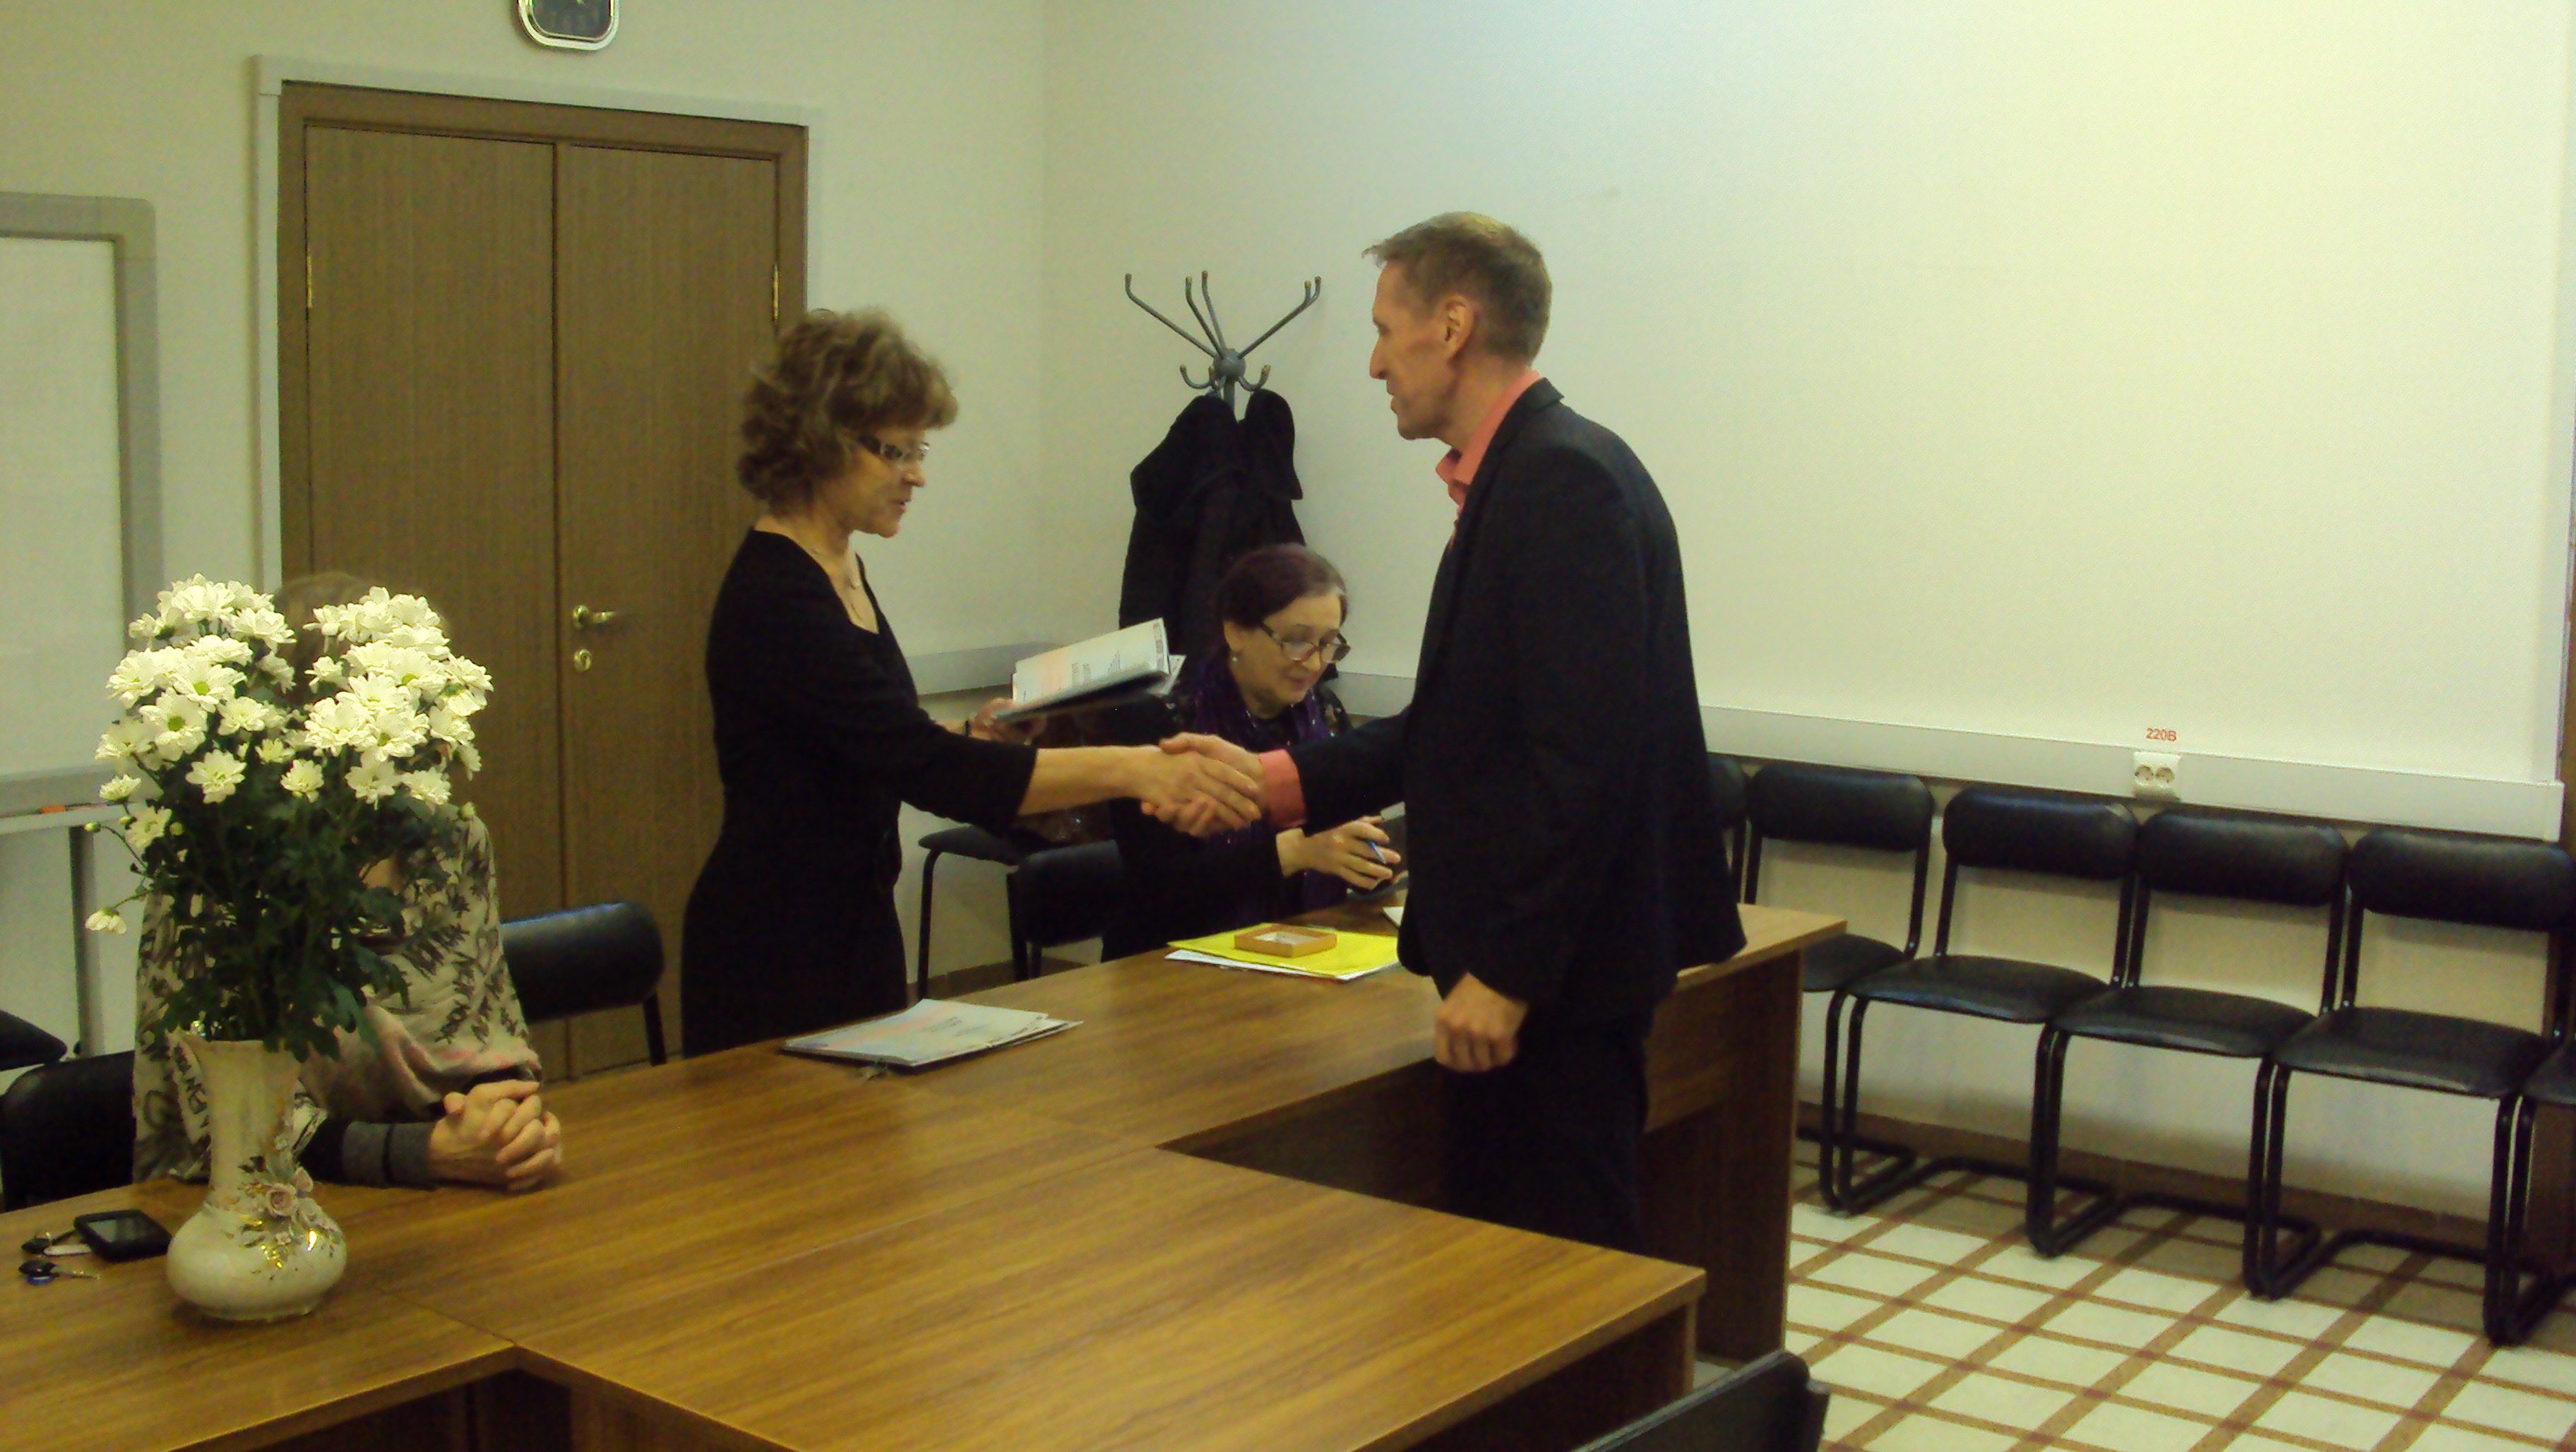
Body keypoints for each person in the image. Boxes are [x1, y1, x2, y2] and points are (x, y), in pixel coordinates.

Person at [1164, 214, 1743, 1253]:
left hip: (1556, 986)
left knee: (1555, 1271)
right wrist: (1266, 780)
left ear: (1454, 325)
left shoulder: (1560, 482)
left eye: (1385, 330)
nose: (1374, 363)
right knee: (1503, 1259)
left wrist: (1509, 974)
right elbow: (1455, 728)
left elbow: (1582, 764)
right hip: (1548, 974)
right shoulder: (1532, 470)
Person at [682, 309, 1261, 1057]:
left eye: (919, 450)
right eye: (898, 451)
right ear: (822, 440)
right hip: (774, 944)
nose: (918, 474)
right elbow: (930, 772)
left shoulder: (839, 564)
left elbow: (867, 743)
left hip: (852, 924)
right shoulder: (777, 595)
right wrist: (1137, 769)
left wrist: (971, 733)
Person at [134, 573, 564, 1194]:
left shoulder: (449, 841)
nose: (434, 726)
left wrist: (511, 1127)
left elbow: (487, 1031)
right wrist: (425, 1154)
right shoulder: (218, 861)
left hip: (439, 1188)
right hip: (249, 1198)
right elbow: (229, 1120)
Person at [1101, 544, 1397, 960]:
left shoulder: (1323, 712)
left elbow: (1362, 841)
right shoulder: (1163, 723)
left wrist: (1370, 856)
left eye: (1328, 643)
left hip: (1304, 945)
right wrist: (1294, 851)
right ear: (1235, 631)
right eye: (1296, 641)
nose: (1315, 663)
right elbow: (1163, 888)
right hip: (1172, 960)